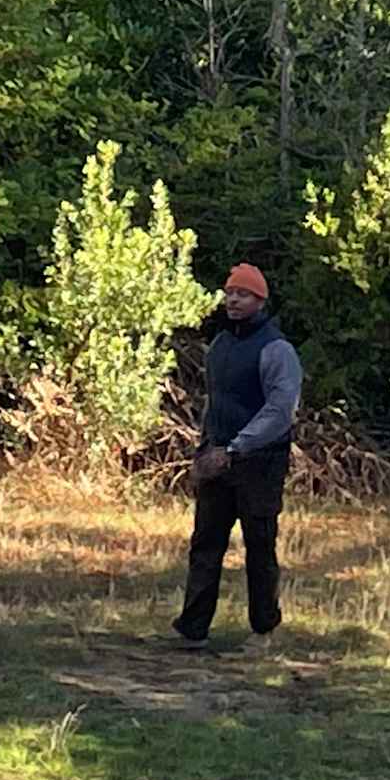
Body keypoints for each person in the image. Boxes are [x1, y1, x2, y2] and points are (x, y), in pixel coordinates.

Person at [171, 261, 301, 649]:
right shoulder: (221, 345)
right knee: (205, 544)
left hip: (260, 464)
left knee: (259, 546)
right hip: (217, 457)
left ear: (260, 300)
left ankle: (263, 630)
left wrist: (236, 448)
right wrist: (204, 448)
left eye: (242, 294)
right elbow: (215, 402)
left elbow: (281, 411)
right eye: (229, 293)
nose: (232, 300)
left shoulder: (277, 350)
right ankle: (193, 629)